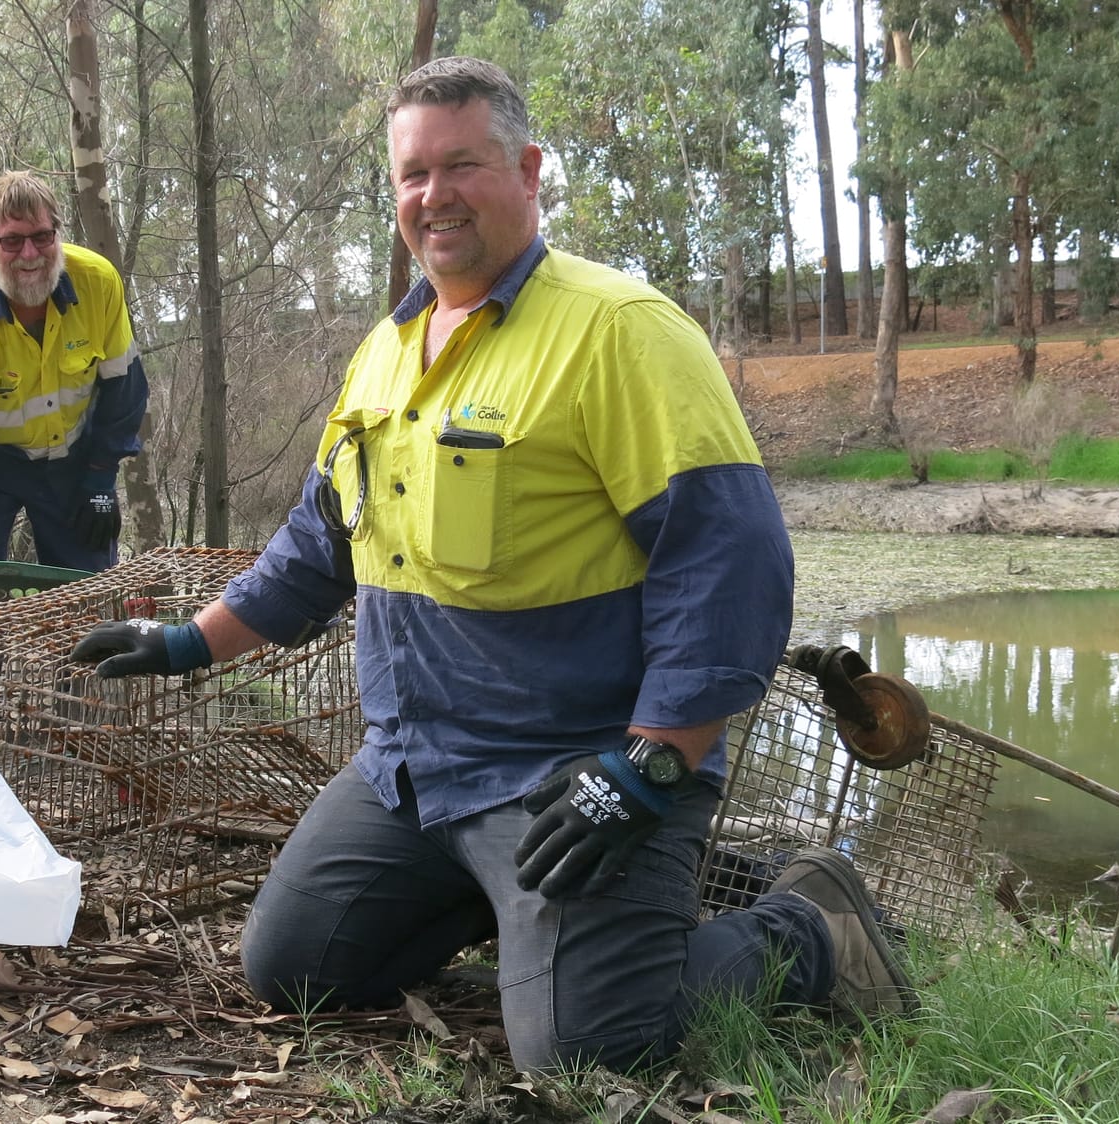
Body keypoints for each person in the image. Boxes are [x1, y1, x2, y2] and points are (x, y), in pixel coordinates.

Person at [71, 57, 915, 1074]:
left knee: (589, 1051)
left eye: (460, 165)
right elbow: (319, 542)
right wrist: (182, 640)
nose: (433, 196)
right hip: (416, 769)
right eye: (411, 174)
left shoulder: (616, 331)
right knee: (295, 968)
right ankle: (521, 911)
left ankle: (811, 927)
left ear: (526, 169)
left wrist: (647, 763)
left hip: (581, 770)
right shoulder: (387, 350)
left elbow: (726, 566)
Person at [0, 171, 148, 571]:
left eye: (42, 236)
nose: (30, 254)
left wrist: (100, 479)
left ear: (57, 232)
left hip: (74, 456)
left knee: (88, 593)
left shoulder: (99, 283)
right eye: (12, 240)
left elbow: (124, 393)